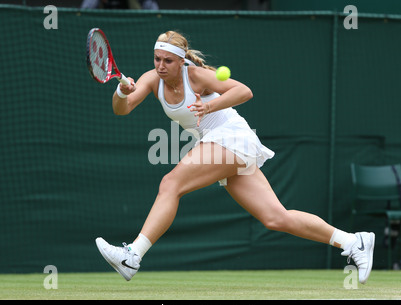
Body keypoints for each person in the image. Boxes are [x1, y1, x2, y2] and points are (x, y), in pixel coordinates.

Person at [95, 30, 375, 284]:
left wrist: (209, 105)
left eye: (168, 61)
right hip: (219, 142)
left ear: (181, 61)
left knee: (171, 183)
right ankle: (353, 241)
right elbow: (123, 109)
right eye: (157, 59)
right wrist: (121, 91)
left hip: (230, 135)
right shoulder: (151, 79)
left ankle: (132, 255)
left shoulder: (195, 76)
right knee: (276, 218)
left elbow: (244, 91)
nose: (160, 66)